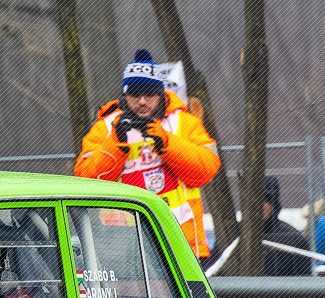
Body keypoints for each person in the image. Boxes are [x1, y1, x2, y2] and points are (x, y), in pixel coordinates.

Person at [75, 49, 221, 258]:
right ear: (125, 95)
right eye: (135, 94)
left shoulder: (183, 122)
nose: (142, 101)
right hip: (121, 243)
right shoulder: (105, 128)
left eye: (149, 94)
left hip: (178, 237)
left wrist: (168, 145)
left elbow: (206, 171)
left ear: (160, 94)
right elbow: (85, 180)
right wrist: (115, 146)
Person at [260, 176, 311, 276]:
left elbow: (304, 280)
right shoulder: (235, 236)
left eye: (267, 199)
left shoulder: (293, 240)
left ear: (274, 203)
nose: (262, 205)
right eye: (257, 199)